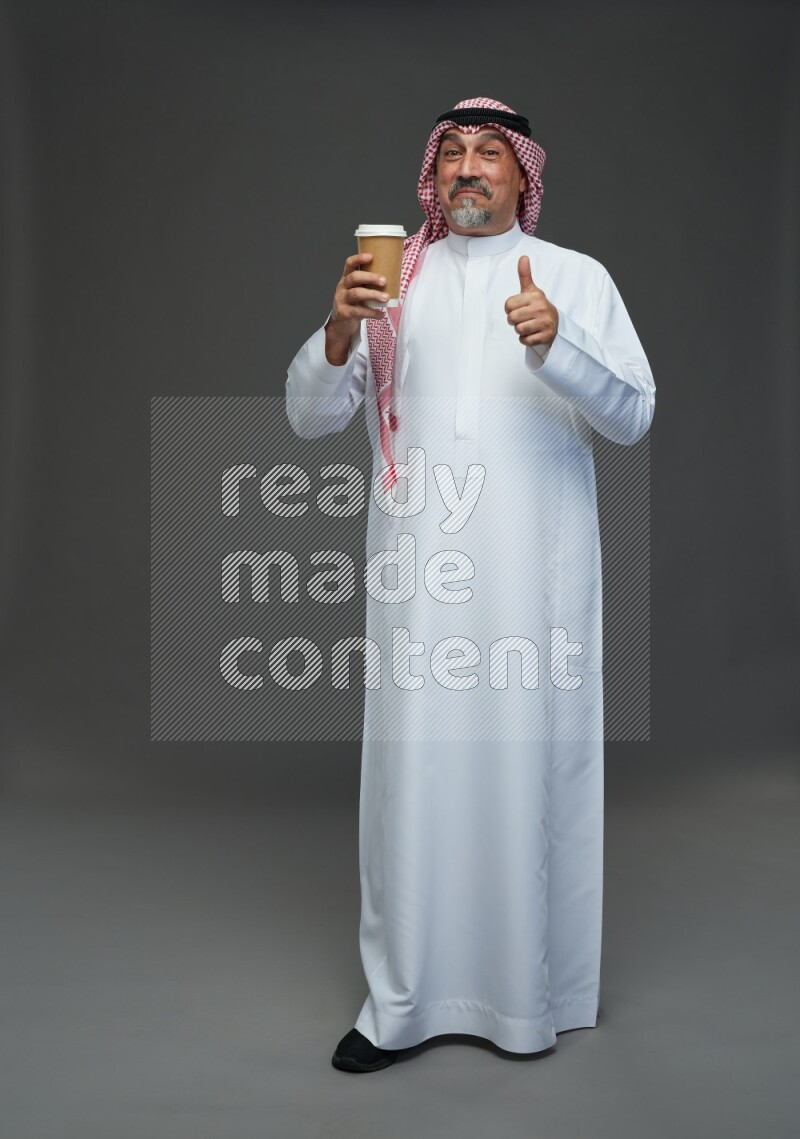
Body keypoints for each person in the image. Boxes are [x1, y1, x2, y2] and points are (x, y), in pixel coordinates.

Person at [285, 96, 655, 1073]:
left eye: (489, 152)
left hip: (533, 585)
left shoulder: (573, 278)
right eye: (449, 151)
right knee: (413, 783)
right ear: (429, 174)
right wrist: (334, 330)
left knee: (525, 778)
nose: (466, 168)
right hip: (420, 588)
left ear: (521, 175)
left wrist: (554, 342)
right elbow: (309, 418)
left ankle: (528, 998)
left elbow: (631, 415)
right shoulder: (386, 283)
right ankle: (397, 1004)